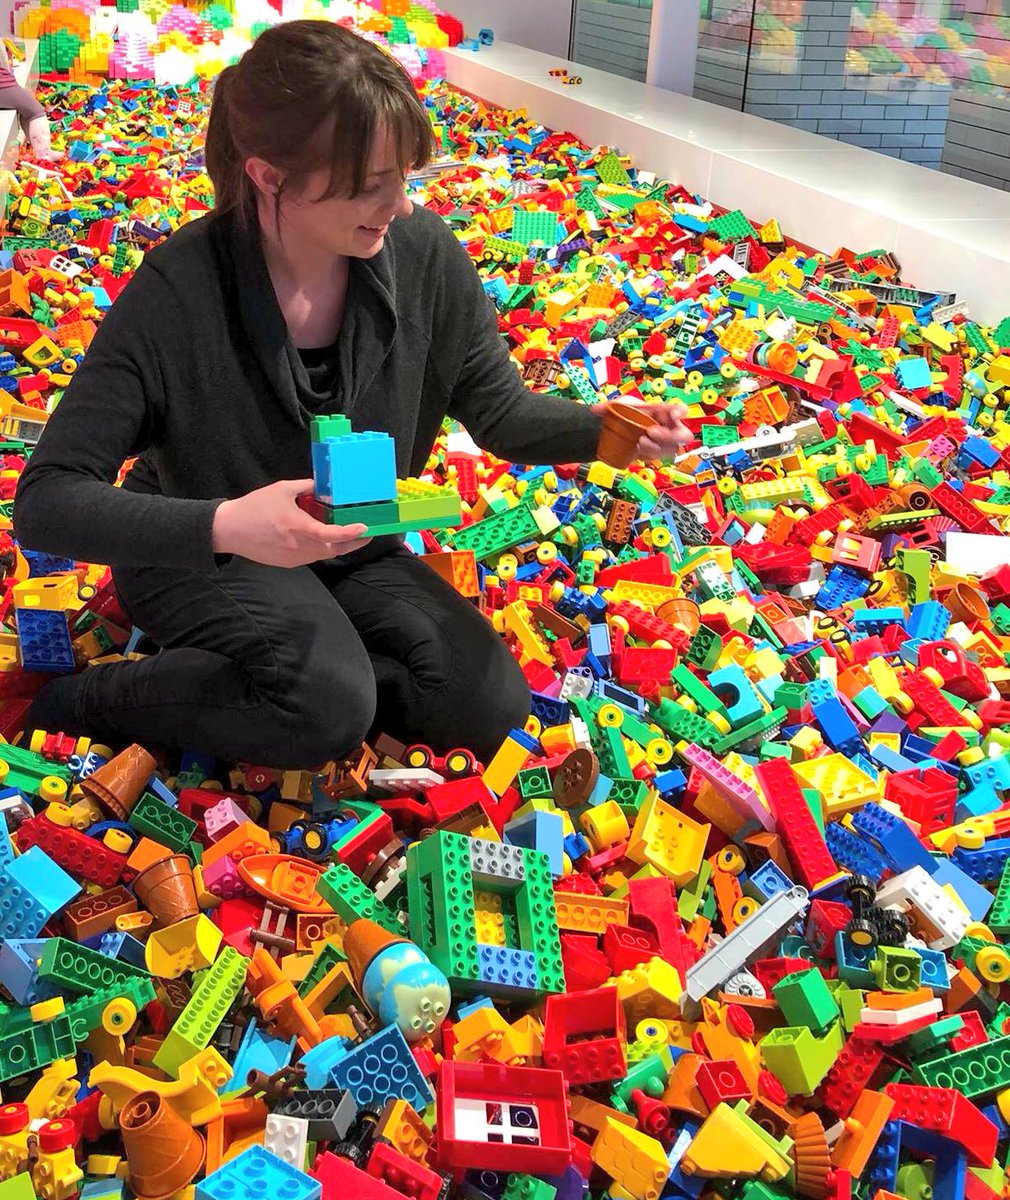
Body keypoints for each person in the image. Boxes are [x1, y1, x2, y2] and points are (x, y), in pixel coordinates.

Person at [13, 20, 689, 770]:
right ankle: (90, 700)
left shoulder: (423, 256)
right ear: (270, 177)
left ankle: (306, 695)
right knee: (324, 699)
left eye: (404, 176)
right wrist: (231, 524)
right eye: (372, 185)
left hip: (349, 545)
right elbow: (45, 500)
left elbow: (499, 413)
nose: (399, 205)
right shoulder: (181, 289)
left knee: (483, 703)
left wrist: (606, 429)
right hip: (208, 549)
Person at [0, 37, 59, 162]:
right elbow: (3, 59)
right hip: (2, 85)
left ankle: (40, 148)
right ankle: (44, 155)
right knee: (35, 111)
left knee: (26, 111)